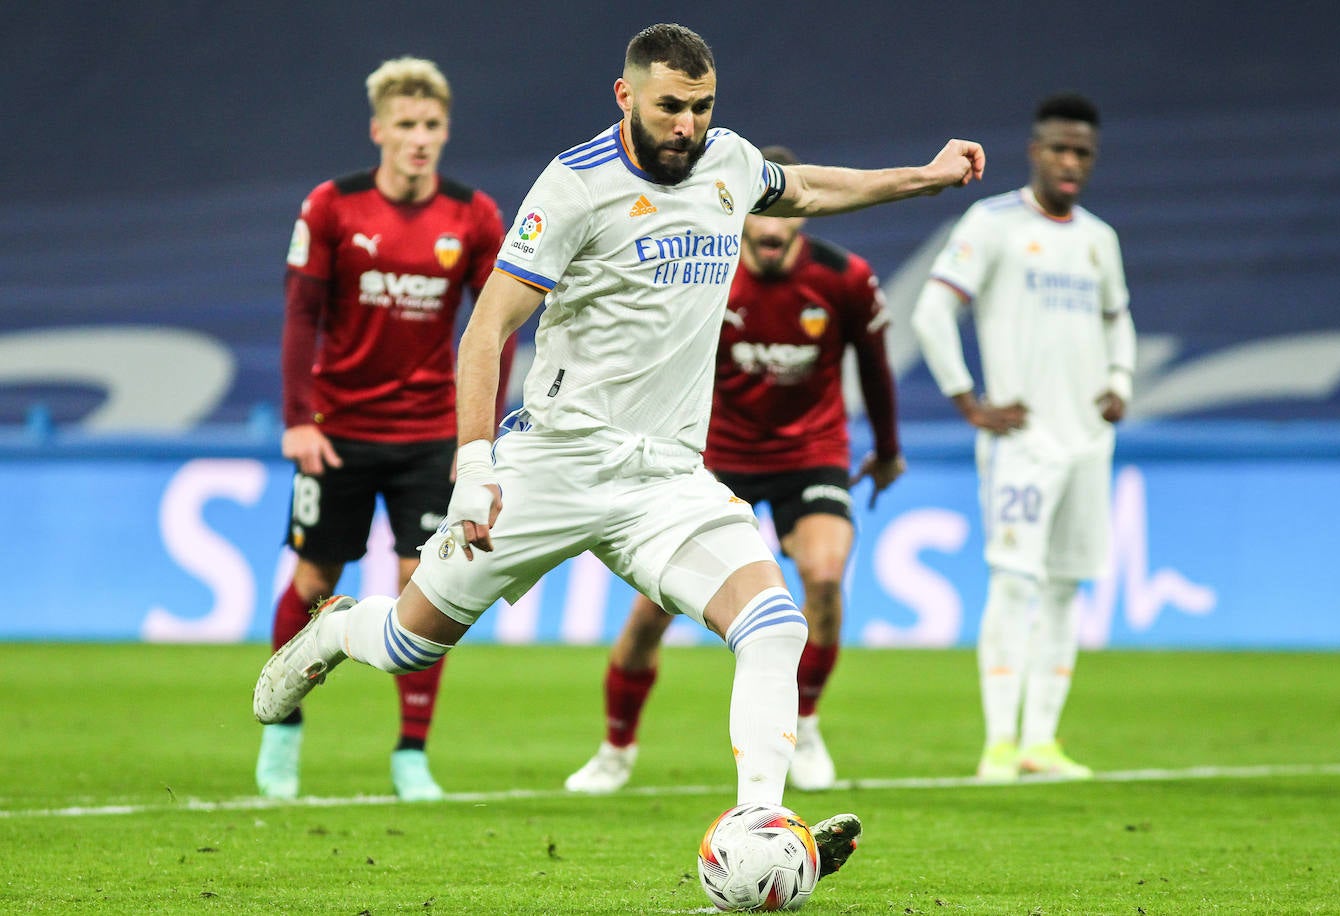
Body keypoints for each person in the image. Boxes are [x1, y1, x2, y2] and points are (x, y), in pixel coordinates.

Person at [255, 23, 982, 879]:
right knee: (412, 642)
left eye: (702, 107)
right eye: (670, 106)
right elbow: (485, 330)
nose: (687, 125)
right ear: (625, 96)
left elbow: (811, 189)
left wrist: (923, 178)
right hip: (552, 463)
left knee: (775, 625)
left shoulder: (729, 163)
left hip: (665, 479)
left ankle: (758, 826)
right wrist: (477, 462)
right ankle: (337, 634)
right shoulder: (573, 186)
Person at [564, 144, 906, 796]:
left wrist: (887, 450)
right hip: (714, 459)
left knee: (825, 580)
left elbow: (876, 370)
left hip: (811, 453)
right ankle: (615, 748)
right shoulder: (706, 276)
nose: (773, 230)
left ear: (803, 214)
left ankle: (803, 721)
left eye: (786, 216)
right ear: (742, 211)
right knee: (648, 616)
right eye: (761, 215)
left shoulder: (844, 279)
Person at [256, 56, 513, 801]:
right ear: (379, 130)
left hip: (428, 435)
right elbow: (301, 316)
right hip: (337, 431)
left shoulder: (473, 216)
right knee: (313, 582)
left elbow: (497, 328)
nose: (420, 138)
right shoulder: (332, 207)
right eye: (406, 124)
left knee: (422, 585)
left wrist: (479, 439)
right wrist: (299, 419)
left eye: (432, 125)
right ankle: (283, 734)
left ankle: (410, 754)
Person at [911, 92, 1135, 783]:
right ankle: (998, 745)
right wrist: (967, 401)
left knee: (1067, 589)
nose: (1071, 162)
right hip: (1024, 445)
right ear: (1036, 152)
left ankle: (1041, 743)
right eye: (1060, 149)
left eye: (1083, 153)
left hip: (1088, 443)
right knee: (1014, 584)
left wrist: (1121, 380)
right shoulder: (994, 222)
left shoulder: (1099, 238)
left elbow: (1117, 319)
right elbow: (930, 312)